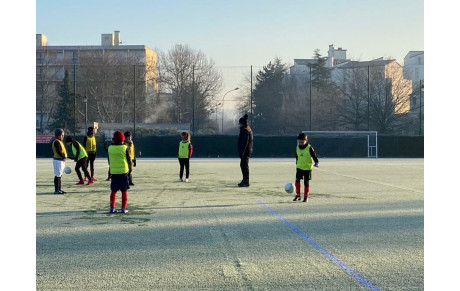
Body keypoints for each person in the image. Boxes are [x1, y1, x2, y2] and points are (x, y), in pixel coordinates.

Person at [108, 131, 132, 213]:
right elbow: (129, 160)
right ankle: (123, 208)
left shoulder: (110, 148)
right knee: (124, 191)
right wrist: (130, 169)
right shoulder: (125, 147)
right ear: (122, 139)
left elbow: (109, 161)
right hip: (123, 172)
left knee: (113, 191)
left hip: (114, 172)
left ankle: (112, 208)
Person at [293, 133, 319, 202]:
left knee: (306, 182)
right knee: (297, 181)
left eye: (302, 142)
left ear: (306, 141)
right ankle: (298, 195)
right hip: (299, 167)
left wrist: (316, 162)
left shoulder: (309, 147)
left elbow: (314, 155)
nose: (301, 143)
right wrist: (297, 163)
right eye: (299, 142)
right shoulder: (297, 147)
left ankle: (305, 197)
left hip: (307, 168)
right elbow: (297, 156)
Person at [237, 114, 253, 187]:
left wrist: (242, 152)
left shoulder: (245, 130)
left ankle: (246, 181)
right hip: (246, 151)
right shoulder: (247, 129)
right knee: (243, 165)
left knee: (244, 165)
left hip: (245, 152)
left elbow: (245, 142)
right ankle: (245, 180)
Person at [51, 128, 67, 194]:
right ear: (58, 135)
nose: (63, 136)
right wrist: (64, 156)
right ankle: (56, 190)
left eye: (63, 135)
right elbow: (59, 151)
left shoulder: (59, 141)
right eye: (62, 135)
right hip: (58, 161)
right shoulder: (56, 142)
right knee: (57, 175)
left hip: (61, 160)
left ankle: (59, 189)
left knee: (60, 175)